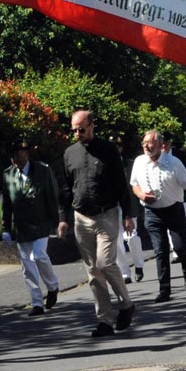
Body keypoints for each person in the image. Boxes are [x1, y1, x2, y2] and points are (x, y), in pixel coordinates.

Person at [56, 110, 135, 338]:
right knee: (92, 270)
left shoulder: (108, 150)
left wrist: (127, 214)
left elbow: (121, 184)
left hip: (107, 214)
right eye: (74, 130)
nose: (77, 133)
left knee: (105, 262)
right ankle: (105, 321)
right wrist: (63, 219)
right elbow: (65, 188)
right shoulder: (70, 153)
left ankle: (126, 304)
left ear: (92, 125)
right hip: (81, 217)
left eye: (81, 129)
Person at [130, 131, 186, 302]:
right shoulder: (139, 162)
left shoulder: (173, 162)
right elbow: (134, 184)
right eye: (144, 142)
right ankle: (164, 289)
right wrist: (141, 196)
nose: (146, 146)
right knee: (160, 251)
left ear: (161, 145)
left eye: (150, 143)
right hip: (151, 212)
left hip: (173, 209)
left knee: (180, 246)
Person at [1, 140, 61, 316]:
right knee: (27, 266)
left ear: (26, 154)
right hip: (22, 226)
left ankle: (52, 286)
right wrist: (6, 228)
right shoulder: (8, 174)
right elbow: (6, 203)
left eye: (18, 154)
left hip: (41, 222)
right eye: (12, 155)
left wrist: (57, 222)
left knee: (39, 255)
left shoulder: (41, 170)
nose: (14, 158)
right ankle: (36, 302)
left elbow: (51, 195)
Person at [111, 139, 145, 284]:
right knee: (117, 242)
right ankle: (125, 272)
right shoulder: (105, 165)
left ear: (121, 148)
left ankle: (138, 265)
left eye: (117, 146)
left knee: (131, 237)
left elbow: (138, 186)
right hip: (112, 208)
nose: (115, 149)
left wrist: (140, 207)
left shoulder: (130, 165)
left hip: (129, 207)